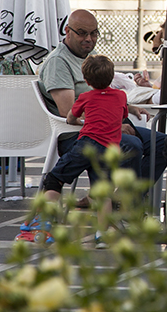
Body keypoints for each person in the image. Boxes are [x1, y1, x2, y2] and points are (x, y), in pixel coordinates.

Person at [38, 9, 167, 182]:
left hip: (105, 128)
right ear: (68, 31)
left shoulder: (91, 55)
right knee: (133, 146)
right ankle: (124, 202)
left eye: (94, 33)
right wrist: (111, 126)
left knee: (165, 144)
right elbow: (67, 111)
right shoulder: (58, 62)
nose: (89, 39)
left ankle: (123, 197)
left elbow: (103, 96)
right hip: (79, 135)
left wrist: (128, 107)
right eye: (82, 33)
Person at [17, 55, 127, 244]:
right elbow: (121, 114)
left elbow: (70, 118)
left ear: (86, 80)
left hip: (86, 145)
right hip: (109, 151)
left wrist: (79, 121)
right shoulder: (121, 96)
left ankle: (43, 223)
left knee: (56, 178)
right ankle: (102, 233)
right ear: (112, 77)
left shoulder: (85, 97)